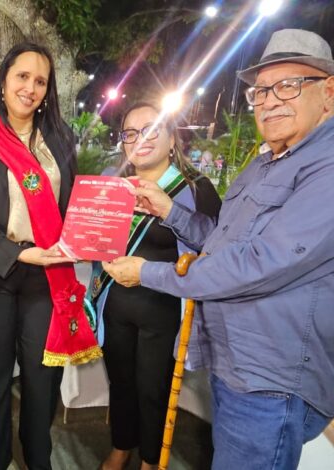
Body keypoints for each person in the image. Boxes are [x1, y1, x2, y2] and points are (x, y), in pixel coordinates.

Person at [103, 29, 334, 470]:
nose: (270, 101)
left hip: (274, 381)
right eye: (260, 91)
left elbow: (255, 265)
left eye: (288, 86)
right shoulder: (264, 165)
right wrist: (170, 211)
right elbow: (220, 241)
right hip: (236, 368)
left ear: (329, 91)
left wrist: (145, 273)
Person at [0, 42, 100, 470]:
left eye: (40, 81)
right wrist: (17, 253)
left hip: (46, 279)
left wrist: (97, 226)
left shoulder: (59, 138)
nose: (30, 88)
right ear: (4, 80)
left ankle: (38, 459)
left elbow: (73, 205)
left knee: (42, 379)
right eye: (22, 76)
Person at [95, 103, 221, 470]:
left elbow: (213, 244)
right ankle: (121, 446)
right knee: (120, 382)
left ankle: (150, 459)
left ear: (171, 139)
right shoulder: (111, 181)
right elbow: (93, 234)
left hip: (163, 308)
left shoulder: (195, 188)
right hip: (114, 303)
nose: (140, 139)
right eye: (130, 133)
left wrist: (168, 209)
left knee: (153, 388)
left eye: (151, 130)